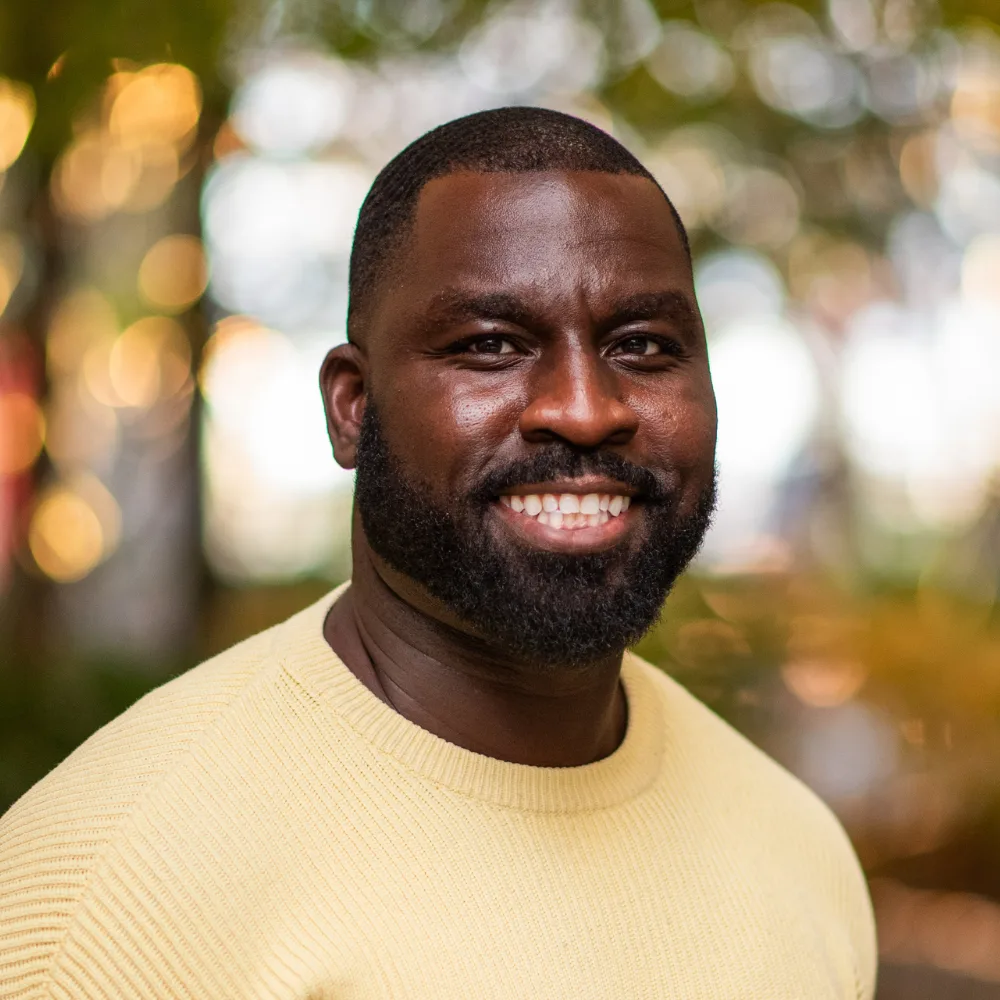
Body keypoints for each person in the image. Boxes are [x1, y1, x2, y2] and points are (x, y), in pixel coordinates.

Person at [0, 107, 876, 998]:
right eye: (490, 346)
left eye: (642, 346)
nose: (585, 409)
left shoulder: (798, 851)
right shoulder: (99, 907)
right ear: (353, 406)